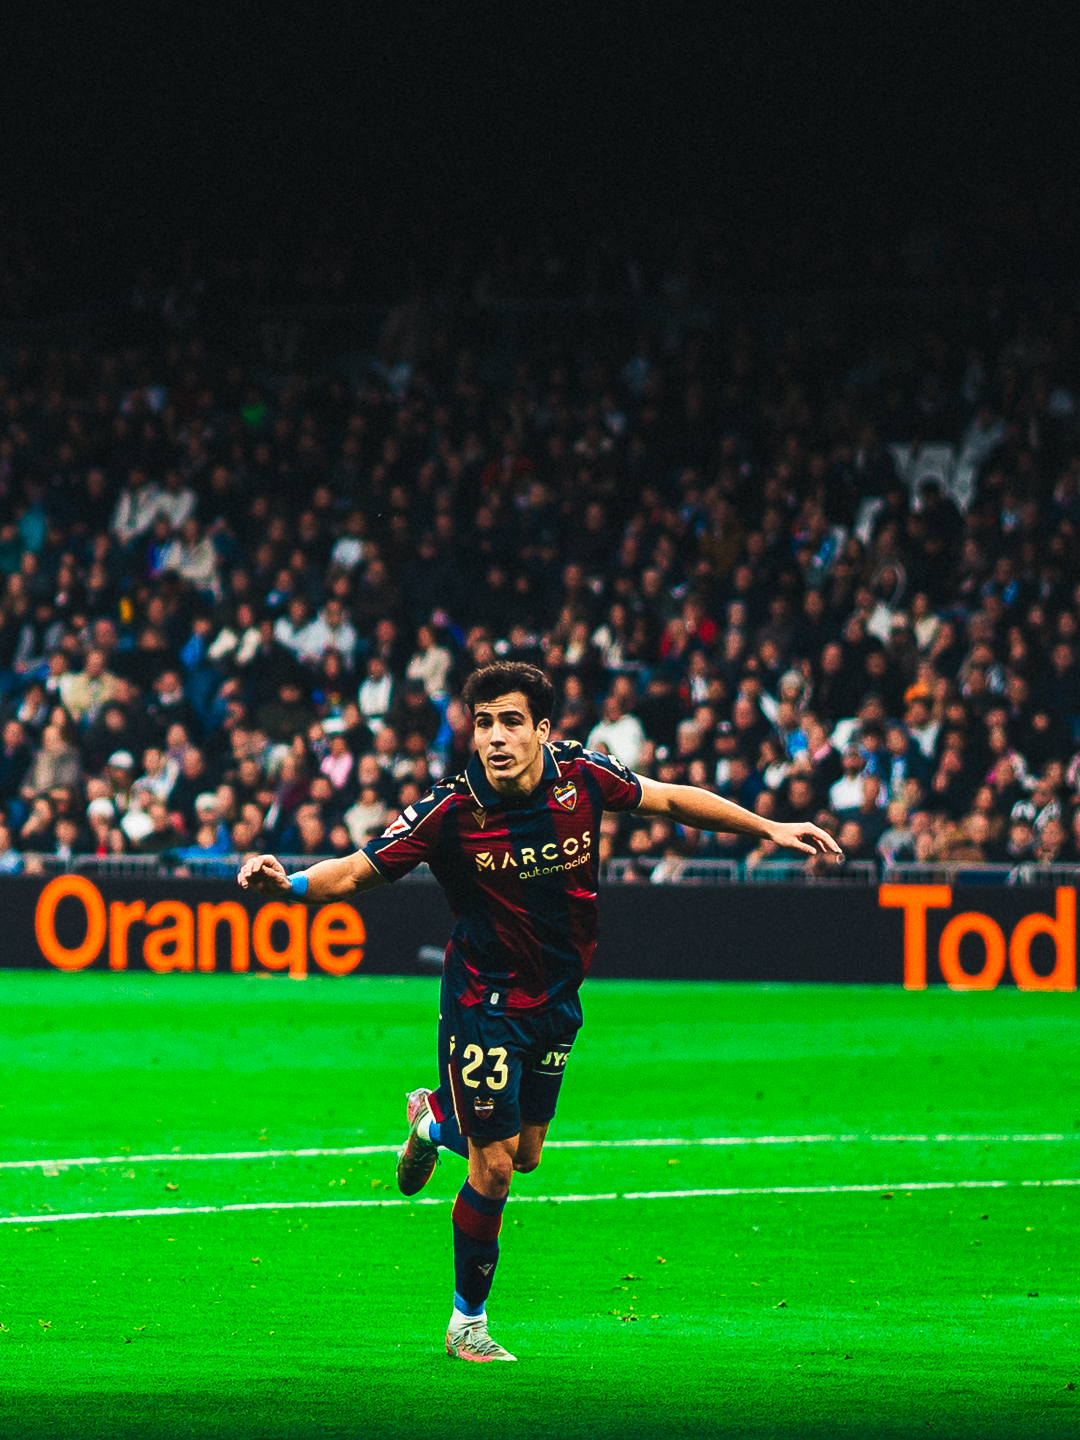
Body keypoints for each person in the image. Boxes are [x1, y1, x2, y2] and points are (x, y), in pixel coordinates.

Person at [238, 662, 840, 1363]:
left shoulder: (582, 775)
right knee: (492, 1169)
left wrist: (770, 826)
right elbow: (355, 870)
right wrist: (290, 882)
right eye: (483, 723)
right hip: (483, 1000)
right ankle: (467, 1324)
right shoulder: (449, 811)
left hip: (556, 997)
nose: (495, 737)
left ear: (542, 730)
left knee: (524, 1157)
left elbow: (671, 800)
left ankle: (431, 1123)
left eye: (511, 722)